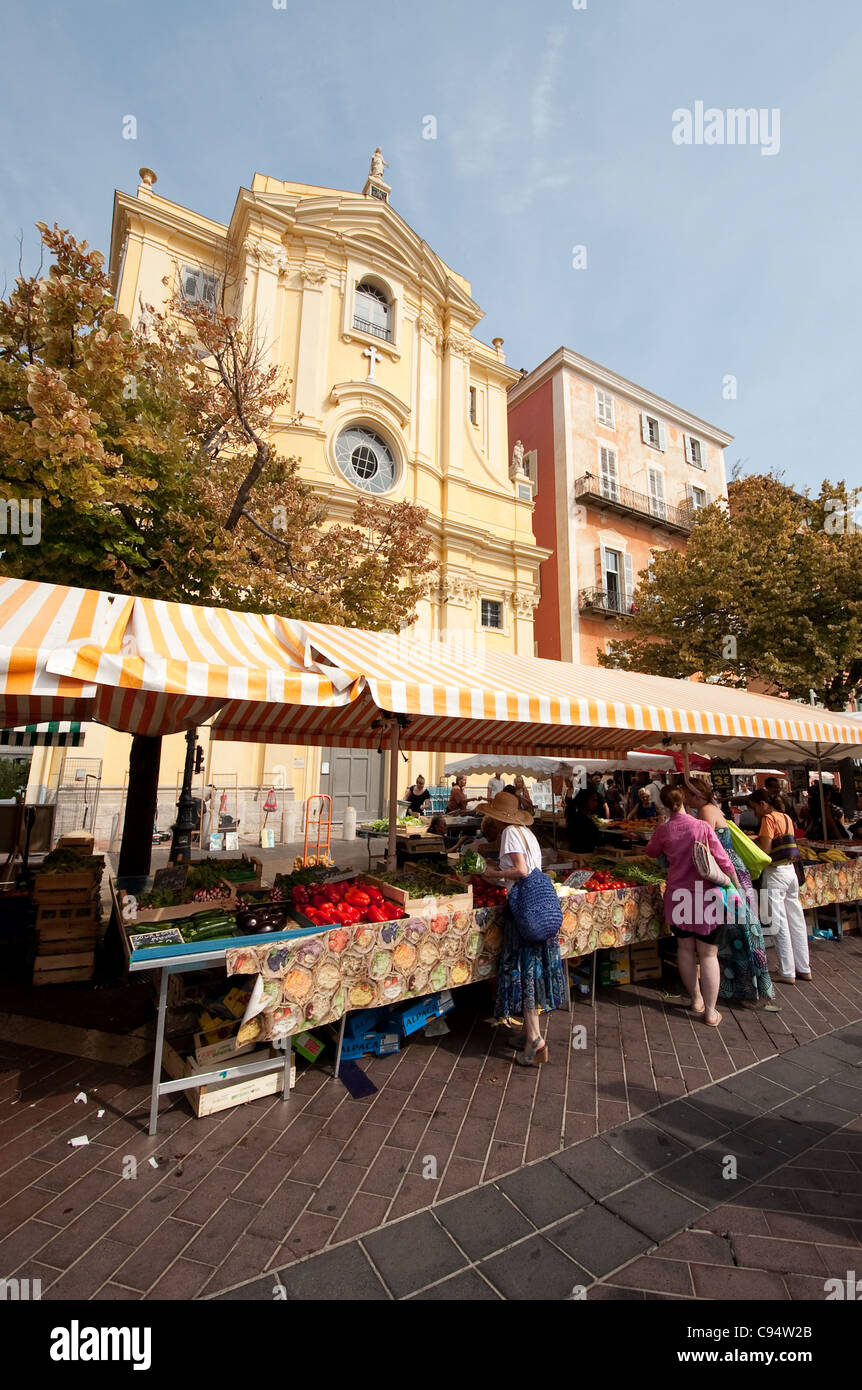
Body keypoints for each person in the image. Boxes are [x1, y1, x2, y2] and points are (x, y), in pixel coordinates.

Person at [475, 791, 565, 1067]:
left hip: (524, 912)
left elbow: (522, 870)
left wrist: (491, 873)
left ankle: (536, 1041)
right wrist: (496, 867)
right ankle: (527, 1032)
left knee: (524, 974)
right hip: (537, 909)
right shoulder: (527, 833)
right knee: (533, 972)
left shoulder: (509, 834)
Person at [643, 785, 741, 1028]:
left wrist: (659, 829)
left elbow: (650, 851)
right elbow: (723, 860)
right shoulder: (701, 827)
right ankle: (710, 1011)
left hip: (678, 896)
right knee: (708, 954)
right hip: (706, 895)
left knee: (684, 949)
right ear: (684, 799)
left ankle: (696, 1000)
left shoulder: (665, 830)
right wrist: (737, 886)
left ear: (665, 804)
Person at [683, 776, 776, 1008]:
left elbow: (705, 850)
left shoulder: (705, 812)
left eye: (687, 794)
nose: (684, 798)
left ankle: (748, 988)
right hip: (733, 872)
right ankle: (746, 986)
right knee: (742, 930)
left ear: (695, 795)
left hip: (725, 875)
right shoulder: (711, 808)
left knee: (738, 932)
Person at [752, 791, 812, 984]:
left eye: (754, 808)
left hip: (776, 873)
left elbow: (766, 851)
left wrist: (751, 845)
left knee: (779, 923)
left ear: (762, 804)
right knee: (796, 920)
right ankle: (804, 968)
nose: (754, 813)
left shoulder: (768, 819)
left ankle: (787, 971)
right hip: (791, 873)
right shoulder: (785, 817)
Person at [565, 787, 605, 853]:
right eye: (593, 800)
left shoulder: (576, 816)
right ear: (584, 801)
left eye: (596, 800)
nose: (595, 803)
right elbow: (596, 840)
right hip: (583, 856)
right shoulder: (582, 820)